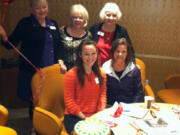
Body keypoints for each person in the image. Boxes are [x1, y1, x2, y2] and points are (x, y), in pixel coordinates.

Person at [0, 0, 62, 119]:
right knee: (35, 102)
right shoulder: (25, 23)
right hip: (33, 72)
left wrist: (60, 62)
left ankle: (49, 124)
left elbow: (58, 46)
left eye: (44, 7)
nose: (41, 10)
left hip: (50, 72)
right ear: (32, 9)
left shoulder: (53, 23)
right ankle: (35, 127)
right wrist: (3, 35)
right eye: (38, 8)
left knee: (50, 100)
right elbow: (10, 44)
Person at [64, 39, 106, 134]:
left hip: (95, 115)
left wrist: (99, 115)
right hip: (75, 116)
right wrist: (85, 118)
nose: (90, 57)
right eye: (86, 54)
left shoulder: (101, 73)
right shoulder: (71, 74)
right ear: (80, 54)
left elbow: (102, 96)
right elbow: (69, 101)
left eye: (93, 53)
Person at [102, 38, 144, 106]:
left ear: (127, 53)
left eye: (123, 51)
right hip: (109, 107)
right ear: (113, 52)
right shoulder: (105, 68)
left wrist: (133, 108)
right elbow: (102, 92)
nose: (120, 54)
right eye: (117, 51)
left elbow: (139, 93)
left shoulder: (134, 69)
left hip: (129, 108)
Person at [58, 4, 92, 73]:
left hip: (82, 71)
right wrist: (60, 64)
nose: (77, 20)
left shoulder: (88, 35)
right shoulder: (62, 32)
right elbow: (57, 51)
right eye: (75, 17)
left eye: (80, 18)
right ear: (71, 18)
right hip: (63, 70)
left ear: (84, 19)